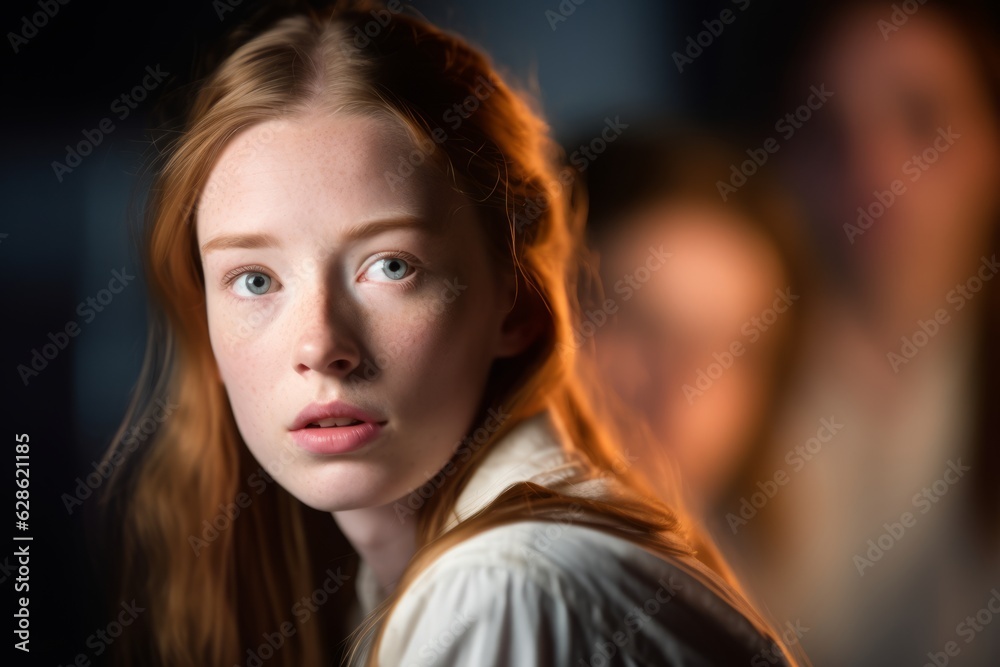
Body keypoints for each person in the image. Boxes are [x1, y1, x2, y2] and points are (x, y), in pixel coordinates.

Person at [100, 2, 802, 665]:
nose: (319, 345)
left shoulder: (501, 589)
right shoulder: (456, 577)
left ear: (517, 303)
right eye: (255, 279)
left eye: (391, 265)